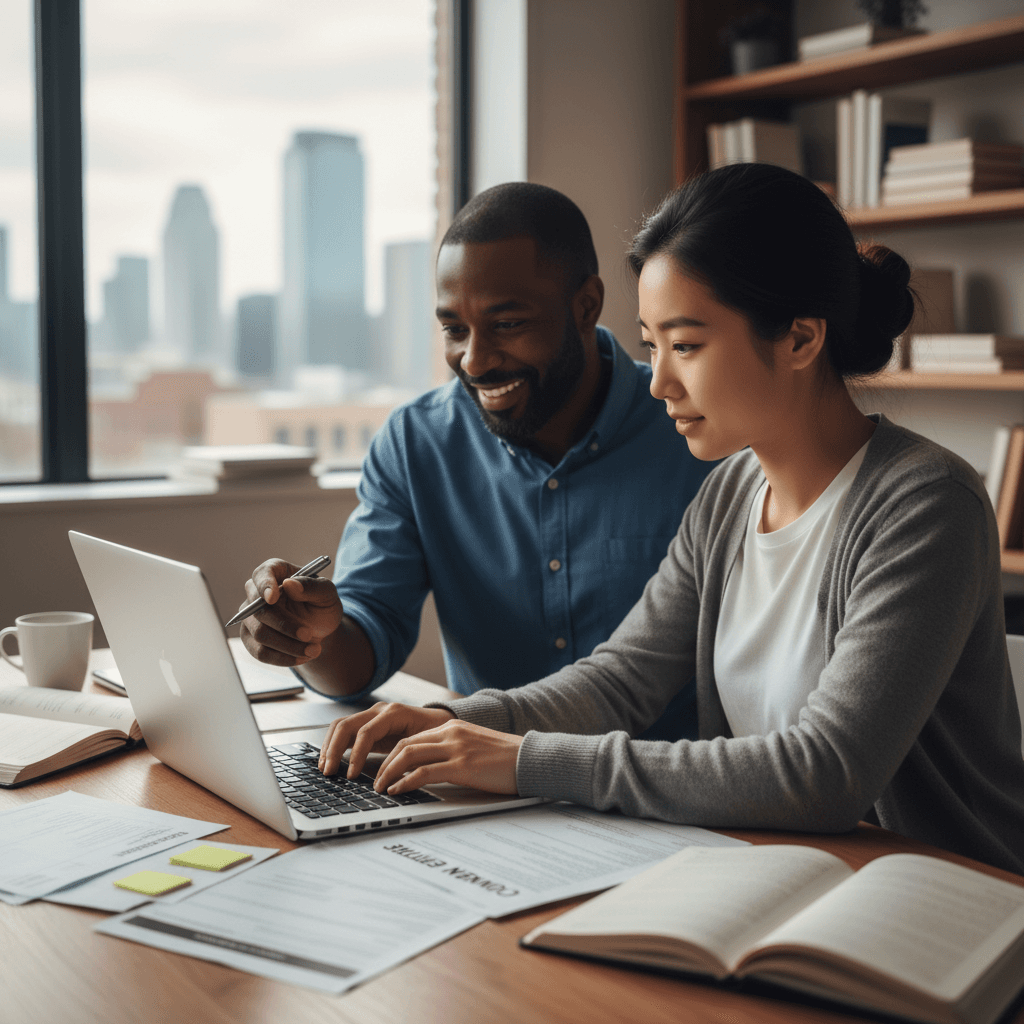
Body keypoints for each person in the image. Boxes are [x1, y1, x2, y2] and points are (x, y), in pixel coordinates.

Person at [320, 164, 1024, 874]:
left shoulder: (926, 506)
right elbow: (619, 683)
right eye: (651, 346)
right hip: (784, 873)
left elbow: (825, 773)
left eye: (685, 345)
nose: (657, 382)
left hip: (946, 897)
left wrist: (524, 761)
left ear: (801, 340)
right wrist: (452, 724)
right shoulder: (728, 495)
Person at [239, 182, 714, 739]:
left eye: (508, 324)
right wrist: (309, 635)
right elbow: (360, 651)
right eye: (454, 330)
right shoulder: (416, 444)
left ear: (585, 306)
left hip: (661, 791)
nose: (475, 359)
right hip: (481, 784)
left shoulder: (697, 432)